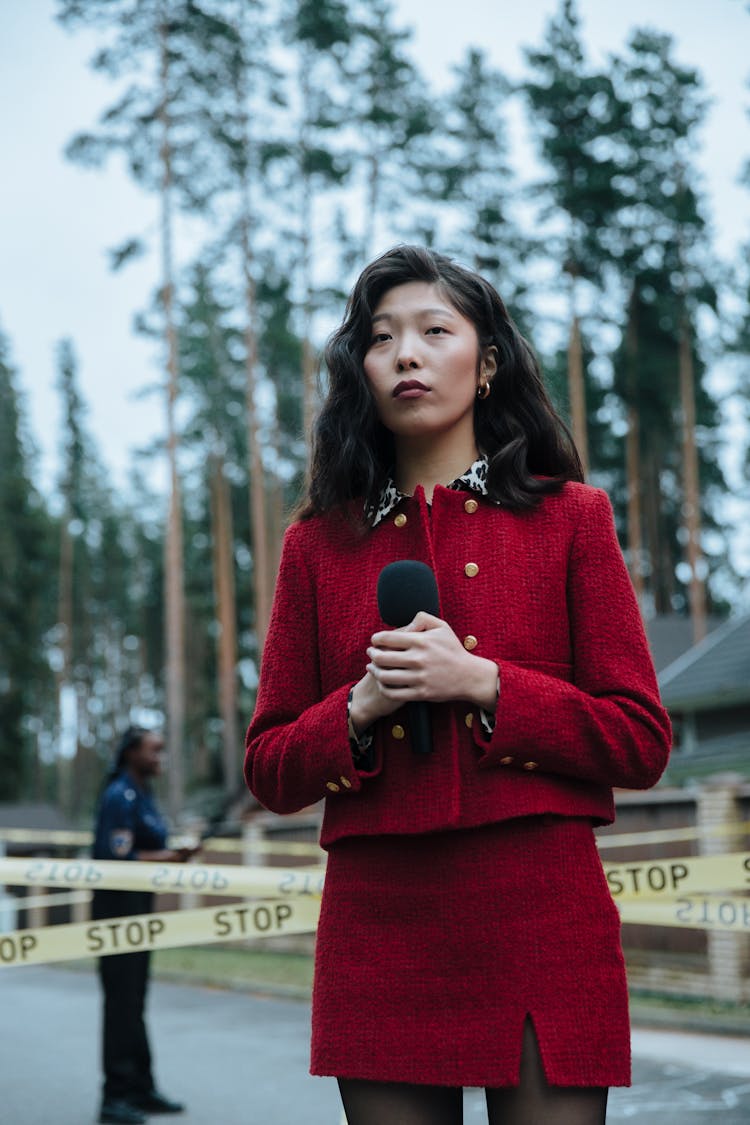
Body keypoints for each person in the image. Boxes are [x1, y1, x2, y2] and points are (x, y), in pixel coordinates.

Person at [244, 245, 671, 1125]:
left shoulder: (572, 520)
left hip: (542, 919)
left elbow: (640, 739)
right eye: (381, 337)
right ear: (360, 370)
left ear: (486, 364)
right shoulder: (316, 547)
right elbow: (269, 766)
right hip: (379, 929)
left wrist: (484, 683)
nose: (406, 352)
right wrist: (358, 709)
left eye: (435, 330)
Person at [92, 725, 197, 1125]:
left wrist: (176, 853)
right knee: (121, 1003)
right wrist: (170, 857)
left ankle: (141, 1088)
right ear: (131, 752)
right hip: (116, 911)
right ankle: (114, 1097)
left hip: (139, 907)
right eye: (154, 750)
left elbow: (147, 848)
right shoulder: (119, 795)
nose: (160, 757)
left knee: (135, 1001)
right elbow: (117, 860)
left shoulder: (143, 793)